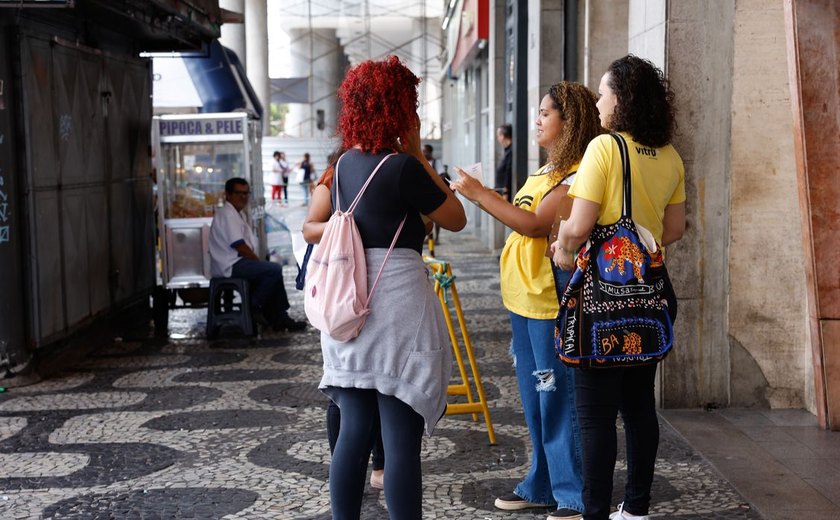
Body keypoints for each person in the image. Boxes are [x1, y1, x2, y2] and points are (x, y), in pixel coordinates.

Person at [305, 55, 466, 520]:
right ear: (401, 109)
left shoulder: (343, 166)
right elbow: (454, 219)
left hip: (347, 303)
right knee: (399, 441)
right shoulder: (403, 168)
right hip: (397, 303)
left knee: (353, 429)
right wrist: (416, 151)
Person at [451, 81, 604, 520]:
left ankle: (572, 495)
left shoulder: (577, 174)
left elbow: (534, 224)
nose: (536, 120)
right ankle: (541, 484)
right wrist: (484, 195)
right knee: (535, 399)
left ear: (568, 121)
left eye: (544, 113)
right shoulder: (545, 171)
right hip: (523, 300)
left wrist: (481, 195)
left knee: (556, 396)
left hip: (550, 302)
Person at [551, 55, 686, 520]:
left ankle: (594, 513)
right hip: (648, 297)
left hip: (602, 300)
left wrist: (564, 245)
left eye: (604, 93)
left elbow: (581, 223)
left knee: (594, 414)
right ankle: (636, 509)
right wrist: (637, 236)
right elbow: (674, 228)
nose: (599, 101)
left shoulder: (604, 149)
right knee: (639, 408)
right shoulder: (669, 156)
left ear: (621, 100)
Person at [304, 151, 387, 491]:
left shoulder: (394, 168)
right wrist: (346, 227)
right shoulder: (332, 176)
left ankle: (380, 466)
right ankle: (346, 467)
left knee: (384, 384)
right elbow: (310, 229)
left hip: (384, 287)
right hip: (340, 289)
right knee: (343, 388)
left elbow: (426, 223)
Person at [208, 178, 307, 332]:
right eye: (238, 193)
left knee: (270, 272)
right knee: (272, 270)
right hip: (231, 265)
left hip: (237, 263)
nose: (243, 197)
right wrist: (257, 261)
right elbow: (239, 245)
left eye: (246, 193)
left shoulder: (236, 213)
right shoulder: (227, 214)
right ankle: (254, 305)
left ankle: (279, 317)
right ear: (228, 194)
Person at [494, 124, 513, 201]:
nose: (497, 138)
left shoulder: (511, 152)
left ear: (502, 136)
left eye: (498, 136)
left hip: (506, 195)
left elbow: (509, 172)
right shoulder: (506, 151)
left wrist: (505, 193)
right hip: (500, 192)